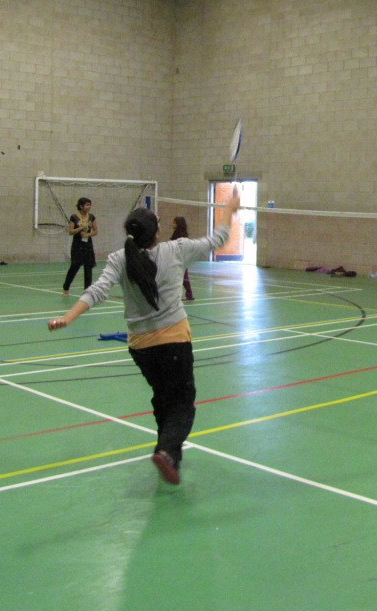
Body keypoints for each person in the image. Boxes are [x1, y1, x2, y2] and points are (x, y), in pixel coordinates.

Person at [48, 189, 241, 486]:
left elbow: (97, 291)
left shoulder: (119, 258)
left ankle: (169, 455)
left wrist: (68, 317)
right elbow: (218, 239)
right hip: (174, 341)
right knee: (182, 404)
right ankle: (166, 451)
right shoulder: (176, 250)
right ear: (156, 232)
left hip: (141, 347)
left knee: (163, 398)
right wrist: (229, 210)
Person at [61, 197, 97, 297]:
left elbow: (95, 231)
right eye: (87, 205)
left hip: (88, 246)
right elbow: (70, 231)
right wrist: (80, 228)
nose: (89, 207)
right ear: (81, 206)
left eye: (89, 205)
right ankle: (66, 287)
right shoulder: (74, 217)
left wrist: (87, 234)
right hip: (77, 246)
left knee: (88, 269)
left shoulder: (92, 217)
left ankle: (87, 291)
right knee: (74, 267)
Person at [170, 216, 194, 301]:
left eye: (174, 223)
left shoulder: (180, 235)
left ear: (178, 224)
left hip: (181, 258)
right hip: (178, 258)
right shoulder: (177, 233)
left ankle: (189, 295)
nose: (172, 224)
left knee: (184, 277)